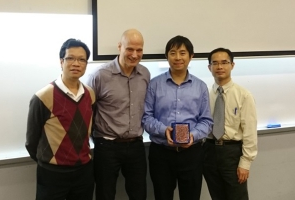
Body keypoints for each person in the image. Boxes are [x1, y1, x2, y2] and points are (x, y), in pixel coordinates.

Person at [142, 35, 213, 200]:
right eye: (173, 53)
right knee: (162, 196)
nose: (178, 57)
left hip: (192, 154)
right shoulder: (154, 84)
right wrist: (163, 130)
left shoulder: (200, 86)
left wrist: (192, 135)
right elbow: (146, 117)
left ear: (191, 56)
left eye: (182, 53)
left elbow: (206, 121)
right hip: (161, 153)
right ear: (167, 56)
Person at [25, 38, 95, 200]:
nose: (76, 63)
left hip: (83, 171)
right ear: (61, 61)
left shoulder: (90, 94)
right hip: (52, 173)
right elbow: (31, 141)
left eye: (82, 59)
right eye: (70, 58)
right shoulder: (43, 97)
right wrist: (50, 161)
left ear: (86, 64)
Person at [85, 29, 150, 200]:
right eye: (130, 49)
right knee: (105, 194)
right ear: (119, 47)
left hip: (136, 146)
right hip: (107, 147)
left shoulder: (145, 74)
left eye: (139, 50)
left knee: (139, 194)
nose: (135, 54)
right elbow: (86, 112)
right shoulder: (99, 75)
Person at [203, 47, 258, 200]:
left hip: (232, 153)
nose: (220, 67)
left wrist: (245, 163)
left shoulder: (244, 95)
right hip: (208, 151)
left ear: (232, 65)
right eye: (215, 63)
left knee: (237, 197)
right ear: (209, 68)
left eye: (224, 62)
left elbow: (250, 132)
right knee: (216, 196)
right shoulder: (204, 95)